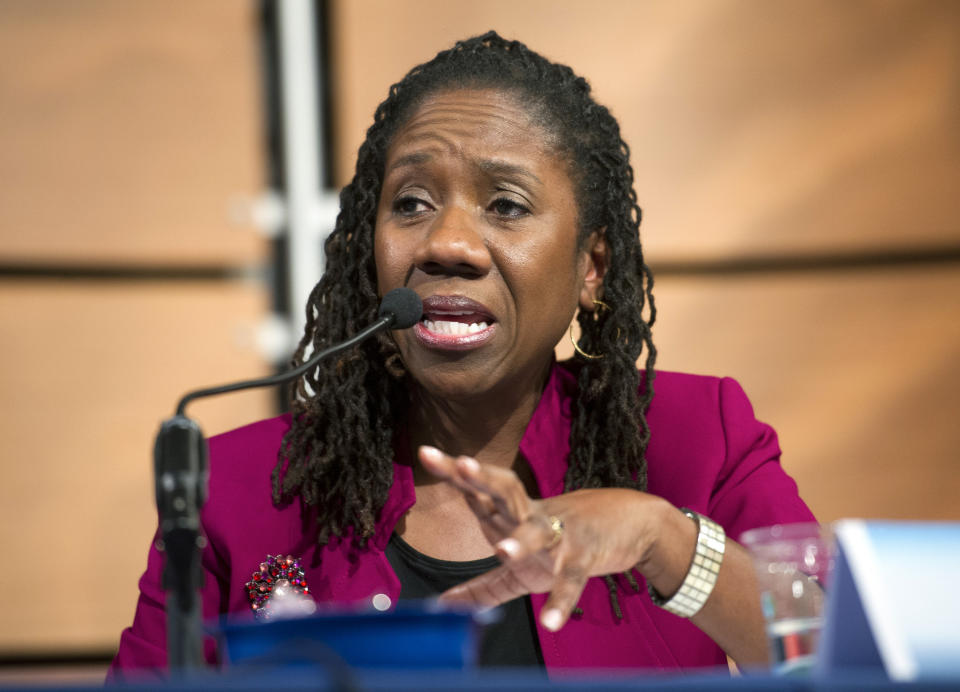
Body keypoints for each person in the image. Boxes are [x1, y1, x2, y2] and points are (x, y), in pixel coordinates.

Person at [110, 31, 813, 676]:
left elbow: (845, 660)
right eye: (411, 203)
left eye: (505, 206)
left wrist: (664, 540)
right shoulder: (239, 490)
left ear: (592, 266)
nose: (445, 245)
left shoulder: (697, 440)